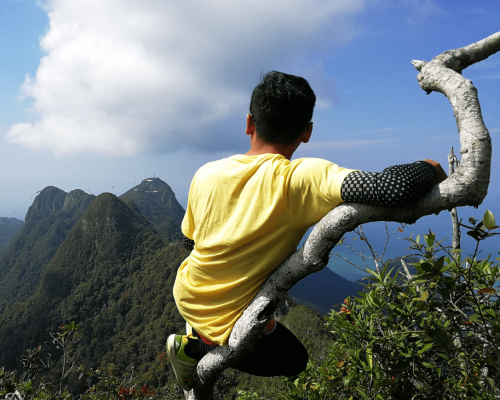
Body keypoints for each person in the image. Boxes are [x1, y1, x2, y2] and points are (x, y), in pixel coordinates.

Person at [166, 71, 447, 390]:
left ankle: (205, 333)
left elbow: (190, 239)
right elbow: (392, 188)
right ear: (307, 132)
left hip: (188, 291)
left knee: (273, 335)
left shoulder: (207, 173)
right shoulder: (299, 178)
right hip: (225, 312)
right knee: (294, 360)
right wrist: (431, 166)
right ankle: (195, 349)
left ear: (249, 123)